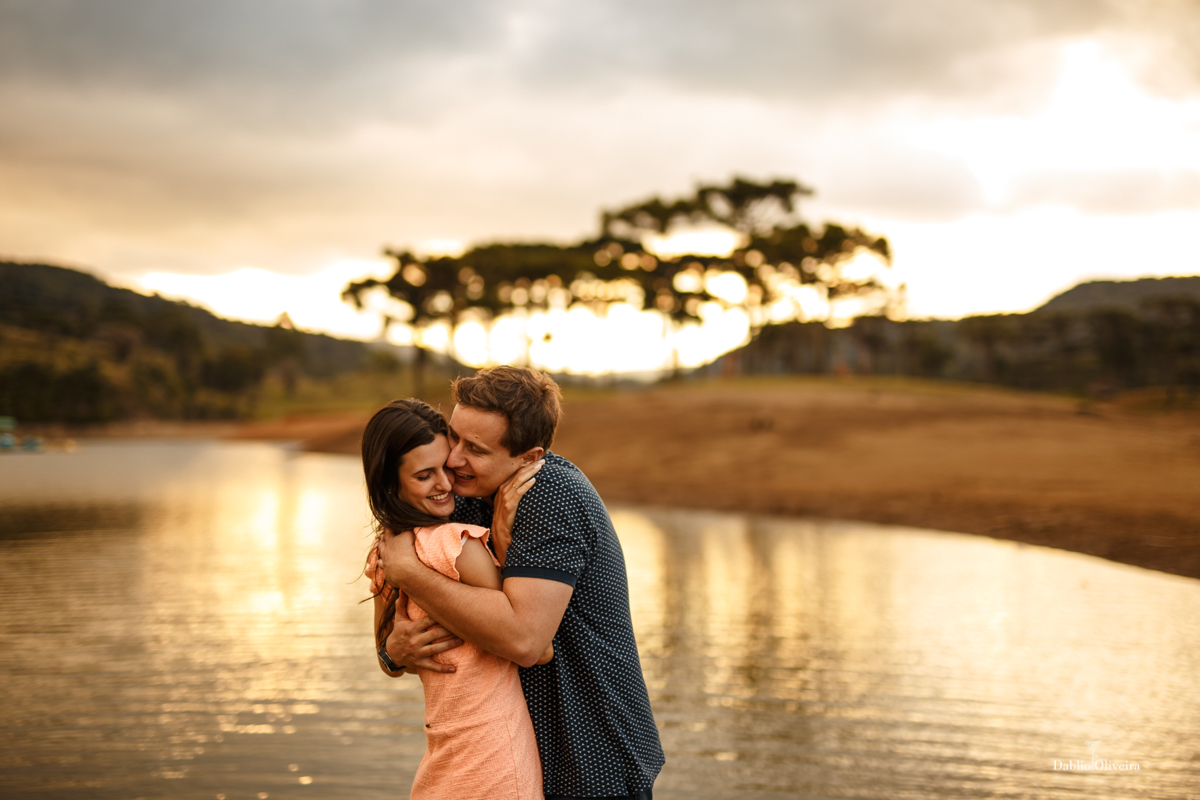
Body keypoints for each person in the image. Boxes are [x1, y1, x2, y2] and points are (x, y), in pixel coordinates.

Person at [377, 367, 665, 800]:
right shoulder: (461, 496)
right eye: (454, 437)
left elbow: (527, 642)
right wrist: (393, 653)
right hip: (512, 759)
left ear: (528, 457)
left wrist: (410, 574)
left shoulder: (551, 495)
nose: (453, 460)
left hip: (591, 757)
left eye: (475, 449)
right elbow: (397, 643)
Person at [361, 398, 551, 800]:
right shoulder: (456, 545)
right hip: (477, 753)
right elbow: (540, 648)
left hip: (470, 753)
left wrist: (392, 654)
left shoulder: (385, 556)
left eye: (445, 467)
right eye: (424, 475)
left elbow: (385, 657)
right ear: (392, 485)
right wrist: (503, 542)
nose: (447, 484)